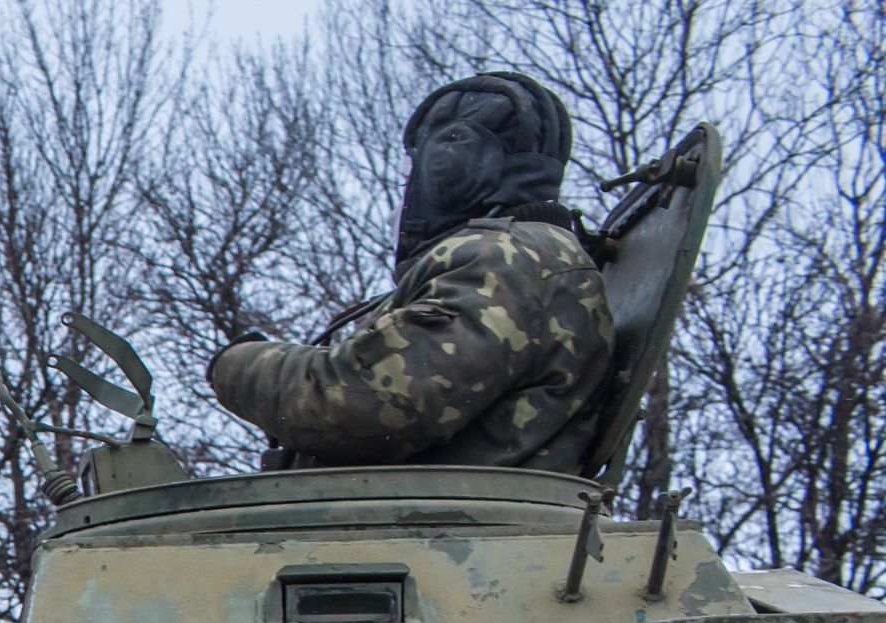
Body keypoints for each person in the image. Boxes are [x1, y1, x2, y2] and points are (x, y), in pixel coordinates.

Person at [208, 72, 615, 473]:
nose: (401, 200)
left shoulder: (503, 257)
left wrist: (237, 364)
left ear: (451, 168)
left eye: (410, 175)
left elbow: (366, 404)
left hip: (432, 525)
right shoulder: (518, 255)